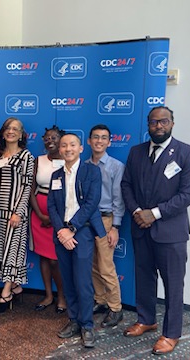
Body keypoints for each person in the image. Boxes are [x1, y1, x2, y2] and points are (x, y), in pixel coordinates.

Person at [121, 106, 190, 355]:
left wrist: (153, 213)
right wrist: (136, 212)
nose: (158, 126)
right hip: (140, 228)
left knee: (173, 284)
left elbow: (188, 194)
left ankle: (171, 333)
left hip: (170, 232)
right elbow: (126, 185)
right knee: (143, 277)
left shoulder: (187, 153)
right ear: (148, 124)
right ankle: (146, 319)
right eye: (154, 122)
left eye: (163, 121)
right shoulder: (136, 152)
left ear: (172, 123)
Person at [47, 133, 106, 348]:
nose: (68, 148)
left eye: (72, 145)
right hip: (61, 233)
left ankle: (87, 325)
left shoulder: (92, 171)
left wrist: (71, 228)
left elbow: (92, 203)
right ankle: (73, 320)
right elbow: (51, 206)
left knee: (82, 281)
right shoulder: (55, 175)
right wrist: (62, 230)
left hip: (81, 231)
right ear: (60, 150)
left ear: (81, 148)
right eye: (64, 145)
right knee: (68, 280)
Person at [0, 117, 34, 313]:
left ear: (21, 134)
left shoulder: (26, 157)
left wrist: (18, 212)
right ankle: (16, 287)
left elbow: (27, 187)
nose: (11, 131)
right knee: (2, 250)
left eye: (15, 129)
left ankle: (6, 293)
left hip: (16, 213)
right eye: (8, 128)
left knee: (12, 252)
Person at [85, 124, 125, 327]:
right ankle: (100, 301)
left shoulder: (116, 166)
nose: (99, 141)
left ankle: (116, 308)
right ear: (89, 141)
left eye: (103, 138)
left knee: (106, 265)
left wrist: (115, 226)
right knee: (92, 264)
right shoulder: (84, 165)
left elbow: (119, 198)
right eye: (95, 137)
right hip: (86, 219)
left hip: (105, 219)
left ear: (109, 142)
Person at [29, 125, 67, 313]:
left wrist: (54, 217)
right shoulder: (39, 160)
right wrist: (40, 214)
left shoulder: (69, 160)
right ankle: (48, 295)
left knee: (55, 259)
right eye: (46, 138)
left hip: (59, 215)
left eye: (54, 137)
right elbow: (31, 189)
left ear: (62, 140)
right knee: (44, 257)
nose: (50, 140)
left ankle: (62, 296)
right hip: (39, 215)